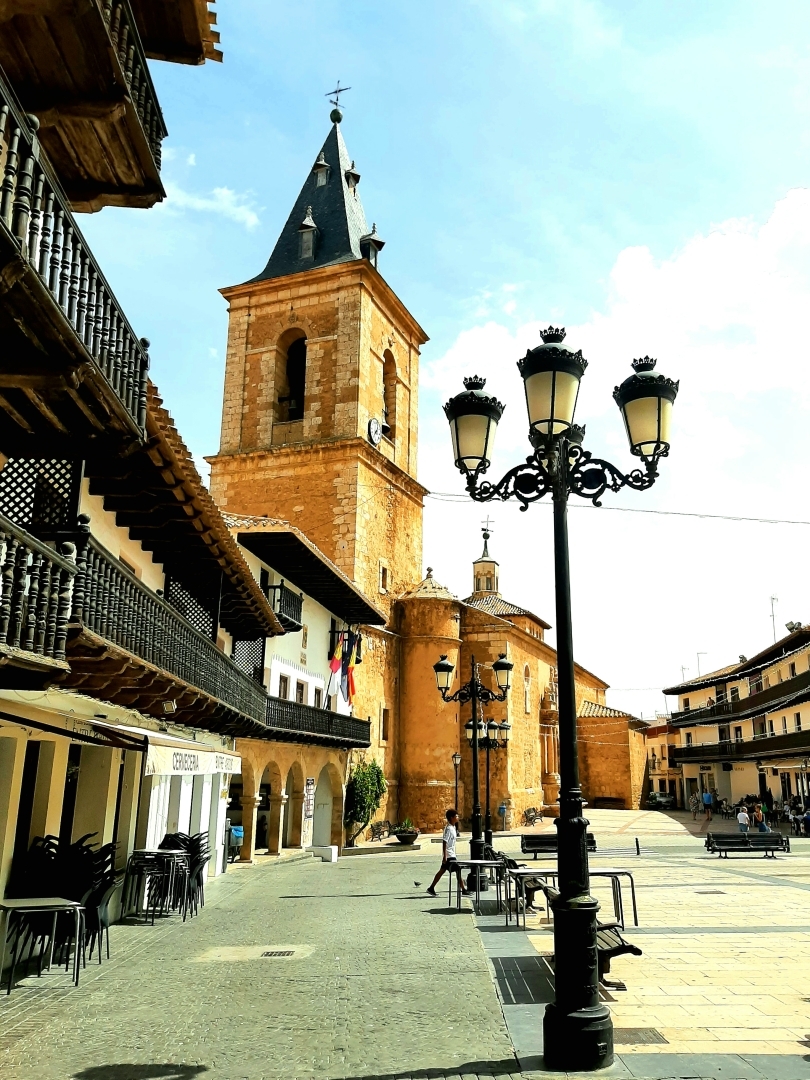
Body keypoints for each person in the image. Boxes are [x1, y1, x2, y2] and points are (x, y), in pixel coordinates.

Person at [427, 809, 470, 897]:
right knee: (458, 869)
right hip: (449, 855)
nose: (458, 817)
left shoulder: (453, 827)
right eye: (456, 816)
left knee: (442, 871)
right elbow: (444, 841)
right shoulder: (449, 829)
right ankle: (463, 890)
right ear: (452, 818)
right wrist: (445, 856)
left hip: (451, 854)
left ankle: (431, 888)